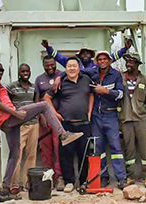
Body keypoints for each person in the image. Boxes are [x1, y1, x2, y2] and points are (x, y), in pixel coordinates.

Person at [0, 61, 83, 198]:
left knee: (14, 155)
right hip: (11, 118)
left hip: (5, 123)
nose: (0, 73)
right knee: (44, 106)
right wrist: (15, 113)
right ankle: (63, 134)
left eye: (2, 70)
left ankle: (6, 189)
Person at [44, 57, 94, 194]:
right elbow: (47, 98)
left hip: (84, 124)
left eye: (74, 66)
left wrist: (89, 110)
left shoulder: (86, 80)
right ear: (65, 69)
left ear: (79, 68)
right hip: (66, 125)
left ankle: (83, 181)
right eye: (69, 66)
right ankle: (69, 182)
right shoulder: (60, 83)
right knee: (66, 155)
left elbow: (91, 95)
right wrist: (54, 113)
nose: (72, 68)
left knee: (84, 154)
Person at [86, 51, 127, 189]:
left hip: (111, 116)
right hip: (96, 118)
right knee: (99, 149)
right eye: (100, 59)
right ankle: (103, 177)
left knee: (116, 148)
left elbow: (121, 94)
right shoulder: (92, 73)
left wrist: (106, 91)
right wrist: (59, 78)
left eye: (105, 59)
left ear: (109, 60)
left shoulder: (115, 75)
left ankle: (121, 179)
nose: (102, 61)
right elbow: (75, 70)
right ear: (97, 61)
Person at [120, 53, 146, 188]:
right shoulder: (120, 79)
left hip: (141, 119)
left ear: (137, 64)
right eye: (127, 62)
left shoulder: (144, 80)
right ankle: (130, 176)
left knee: (145, 148)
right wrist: (119, 122)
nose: (128, 64)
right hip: (126, 119)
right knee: (129, 150)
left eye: (131, 62)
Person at [6, 64, 38, 194]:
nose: (25, 73)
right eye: (22, 71)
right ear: (19, 73)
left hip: (34, 124)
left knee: (31, 155)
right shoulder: (11, 87)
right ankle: (14, 185)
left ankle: (27, 184)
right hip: (19, 126)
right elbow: (5, 102)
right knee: (17, 155)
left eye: (27, 71)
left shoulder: (33, 87)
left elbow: (36, 104)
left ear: (30, 72)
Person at [35, 56, 65, 191]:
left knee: (58, 147)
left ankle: (60, 177)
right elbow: (37, 100)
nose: (50, 67)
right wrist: (41, 116)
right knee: (46, 148)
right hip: (45, 120)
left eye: (52, 65)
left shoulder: (62, 75)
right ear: (43, 66)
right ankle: (48, 177)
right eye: (47, 65)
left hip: (59, 119)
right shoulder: (39, 79)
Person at [41, 38, 133, 70]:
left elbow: (112, 57)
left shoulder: (96, 64)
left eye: (87, 54)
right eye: (83, 53)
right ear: (79, 56)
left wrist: (124, 49)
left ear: (91, 56)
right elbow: (59, 57)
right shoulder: (73, 64)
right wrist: (48, 48)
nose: (85, 55)